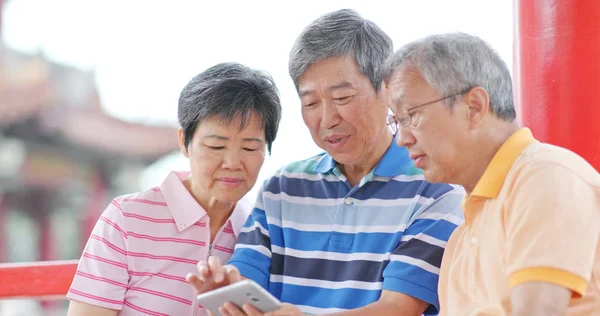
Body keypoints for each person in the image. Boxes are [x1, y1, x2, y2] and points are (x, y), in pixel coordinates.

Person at [186, 9, 464, 316]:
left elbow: (398, 308)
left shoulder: (436, 189)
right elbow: (246, 281)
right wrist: (228, 294)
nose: (328, 119)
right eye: (311, 103)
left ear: (387, 89)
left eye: (342, 97)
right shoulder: (282, 187)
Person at [383, 32, 600, 315]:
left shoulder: (544, 177)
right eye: (397, 121)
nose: (402, 139)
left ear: (474, 107)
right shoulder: (460, 240)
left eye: (409, 115)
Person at [66, 62, 282, 316]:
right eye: (215, 146)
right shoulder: (126, 219)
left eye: (249, 148)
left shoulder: (260, 232)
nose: (233, 163)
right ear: (184, 142)